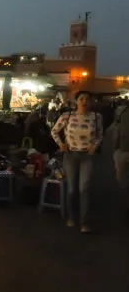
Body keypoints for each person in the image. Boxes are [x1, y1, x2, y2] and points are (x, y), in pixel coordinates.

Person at [51, 91, 103, 233]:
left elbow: (100, 135)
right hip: (70, 155)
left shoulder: (96, 117)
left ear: (90, 102)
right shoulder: (67, 116)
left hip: (87, 156)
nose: (84, 101)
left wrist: (95, 146)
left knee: (84, 188)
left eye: (87, 99)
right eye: (81, 99)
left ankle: (84, 222)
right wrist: (61, 144)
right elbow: (54, 131)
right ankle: (71, 216)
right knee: (72, 188)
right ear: (76, 101)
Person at [113, 100, 129, 224]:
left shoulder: (123, 111)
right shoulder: (123, 111)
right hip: (123, 150)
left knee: (123, 181)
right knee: (123, 181)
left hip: (123, 150)